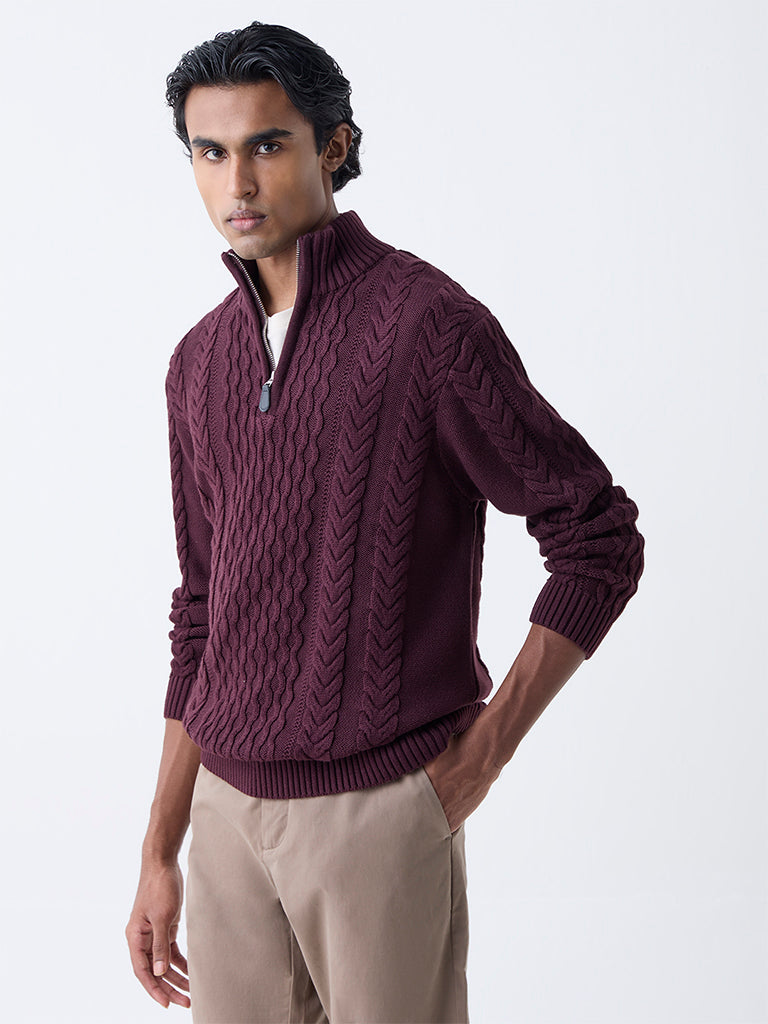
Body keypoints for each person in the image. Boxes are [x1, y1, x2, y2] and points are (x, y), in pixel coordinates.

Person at [126, 20, 644, 1024]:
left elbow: (597, 536)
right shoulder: (198, 362)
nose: (237, 182)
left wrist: (480, 758)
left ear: (334, 147)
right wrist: (160, 845)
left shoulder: (426, 326)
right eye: (210, 151)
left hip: (379, 813)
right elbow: (202, 611)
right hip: (224, 819)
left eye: (267, 144)